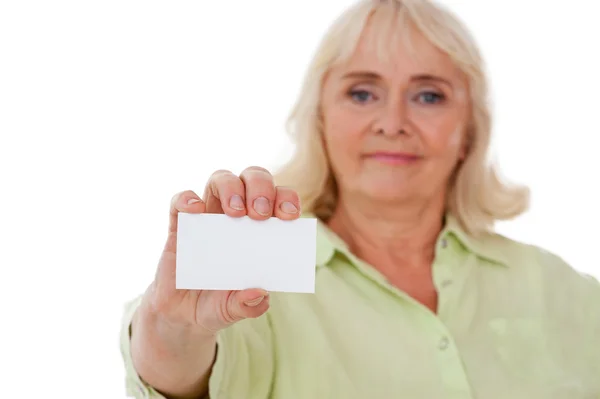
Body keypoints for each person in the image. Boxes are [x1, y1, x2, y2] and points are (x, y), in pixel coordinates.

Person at [120, 0, 600, 398]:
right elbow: (179, 370)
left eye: (429, 96)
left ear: (470, 129)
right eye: (363, 93)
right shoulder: (255, 279)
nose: (392, 122)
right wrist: (172, 330)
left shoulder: (567, 293)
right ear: (320, 118)